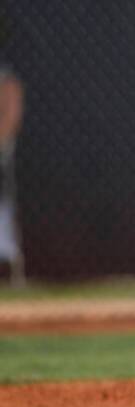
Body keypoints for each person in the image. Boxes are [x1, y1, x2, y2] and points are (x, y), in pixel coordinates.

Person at [0, 64, 23, 286]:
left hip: (1, 155)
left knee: (4, 204)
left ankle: (8, 265)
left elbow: (11, 113)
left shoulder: (6, 78)